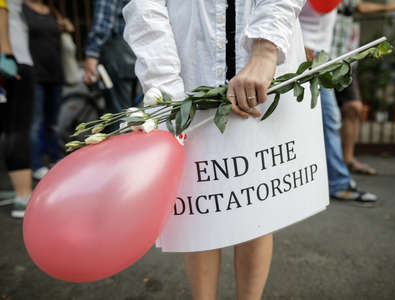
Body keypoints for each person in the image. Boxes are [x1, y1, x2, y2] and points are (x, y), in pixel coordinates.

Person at [123, 0, 310, 299]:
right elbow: (146, 6)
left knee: (257, 201)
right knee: (201, 203)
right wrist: (166, 89)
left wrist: (266, 46)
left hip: (260, 60)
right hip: (189, 60)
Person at [300, 1, 377, 202]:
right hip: (308, 53)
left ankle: (332, 180)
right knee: (328, 119)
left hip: (322, 55)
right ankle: (337, 182)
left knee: (327, 119)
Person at [331, 0, 395, 175]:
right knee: (324, 116)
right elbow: (360, 7)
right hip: (323, 59)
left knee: (354, 108)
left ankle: (347, 160)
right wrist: (388, 8)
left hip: (346, 60)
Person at [22, 0, 73, 180]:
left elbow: (70, 28)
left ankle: (55, 160)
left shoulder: (51, 11)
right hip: (35, 75)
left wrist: (65, 25)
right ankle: (36, 165)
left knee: (53, 123)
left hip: (55, 73)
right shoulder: (22, 9)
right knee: (35, 123)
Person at [0, 0, 35, 217]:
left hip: (10, 61)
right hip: (13, 62)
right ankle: (23, 197)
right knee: (17, 128)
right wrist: (7, 55)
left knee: (8, 127)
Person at [84, 0, 137, 115]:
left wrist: (92, 54)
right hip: (134, 53)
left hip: (118, 56)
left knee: (119, 115)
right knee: (133, 113)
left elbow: (103, 22)